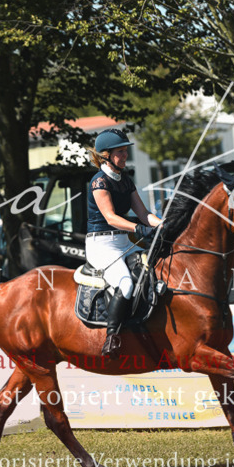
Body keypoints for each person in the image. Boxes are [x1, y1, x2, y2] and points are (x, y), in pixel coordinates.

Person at [85, 129, 162, 357]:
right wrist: (139, 229)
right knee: (126, 284)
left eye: (125, 151)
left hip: (124, 242)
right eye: (120, 152)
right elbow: (110, 218)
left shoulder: (125, 180)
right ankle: (113, 337)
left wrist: (163, 224)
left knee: (157, 271)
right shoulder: (99, 182)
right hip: (102, 245)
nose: (125, 155)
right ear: (106, 155)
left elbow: (143, 213)